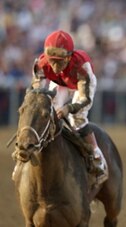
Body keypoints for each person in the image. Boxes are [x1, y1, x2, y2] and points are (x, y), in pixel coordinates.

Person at [31, 30, 107, 184]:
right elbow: (37, 91)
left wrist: (68, 108)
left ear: (69, 56)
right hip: (61, 83)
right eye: (52, 60)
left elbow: (84, 100)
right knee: (47, 110)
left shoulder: (81, 66)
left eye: (60, 61)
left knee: (76, 117)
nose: (55, 66)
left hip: (81, 85)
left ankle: (96, 155)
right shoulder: (41, 63)